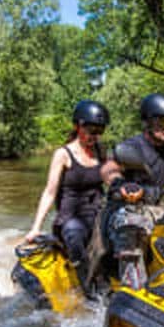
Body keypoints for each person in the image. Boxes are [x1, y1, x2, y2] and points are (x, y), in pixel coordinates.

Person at [98, 93, 164, 288]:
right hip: (126, 208)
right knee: (132, 223)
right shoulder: (132, 146)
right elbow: (108, 170)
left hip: (156, 206)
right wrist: (121, 184)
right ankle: (132, 288)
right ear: (149, 122)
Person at [24, 99, 110, 296]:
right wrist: (36, 227)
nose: (94, 136)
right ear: (77, 127)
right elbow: (49, 192)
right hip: (71, 219)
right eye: (90, 130)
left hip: (97, 214)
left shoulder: (101, 151)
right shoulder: (62, 154)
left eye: (99, 131)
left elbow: (111, 179)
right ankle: (89, 290)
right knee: (74, 232)